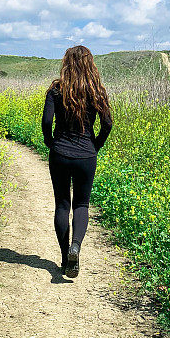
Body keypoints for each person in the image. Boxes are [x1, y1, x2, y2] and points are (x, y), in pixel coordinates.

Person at [41, 45, 113, 278]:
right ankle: (76, 247)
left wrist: (50, 141)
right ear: (89, 64)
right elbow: (108, 124)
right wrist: (96, 145)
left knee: (62, 204)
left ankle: (65, 259)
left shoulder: (55, 89)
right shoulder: (96, 90)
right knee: (81, 205)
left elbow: (46, 121)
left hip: (60, 153)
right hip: (86, 155)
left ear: (66, 64)